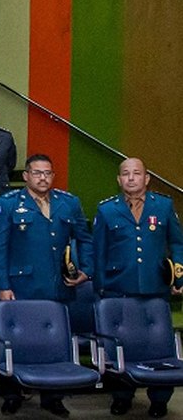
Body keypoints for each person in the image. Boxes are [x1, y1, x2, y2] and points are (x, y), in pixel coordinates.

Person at [0, 154, 93, 417]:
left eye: (47, 173)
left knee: (53, 343)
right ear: (26, 176)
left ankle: (53, 397)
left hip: (58, 286)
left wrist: (86, 271)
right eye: (37, 173)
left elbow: (85, 239)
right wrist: (2, 285)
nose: (42, 177)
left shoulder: (69, 203)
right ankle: (12, 394)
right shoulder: (8, 203)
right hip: (21, 286)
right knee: (15, 341)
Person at [93, 158, 183, 418]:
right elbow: (99, 253)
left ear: (147, 178)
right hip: (117, 287)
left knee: (158, 347)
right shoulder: (107, 210)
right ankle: (122, 397)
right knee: (121, 347)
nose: (131, 178)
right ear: (119, 180)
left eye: (136, 173)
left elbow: (177, 244)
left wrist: (178, 276)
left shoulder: (164, 206)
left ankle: (159, 400)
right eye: (125, 174)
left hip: (154, 289)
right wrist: (100, 288)